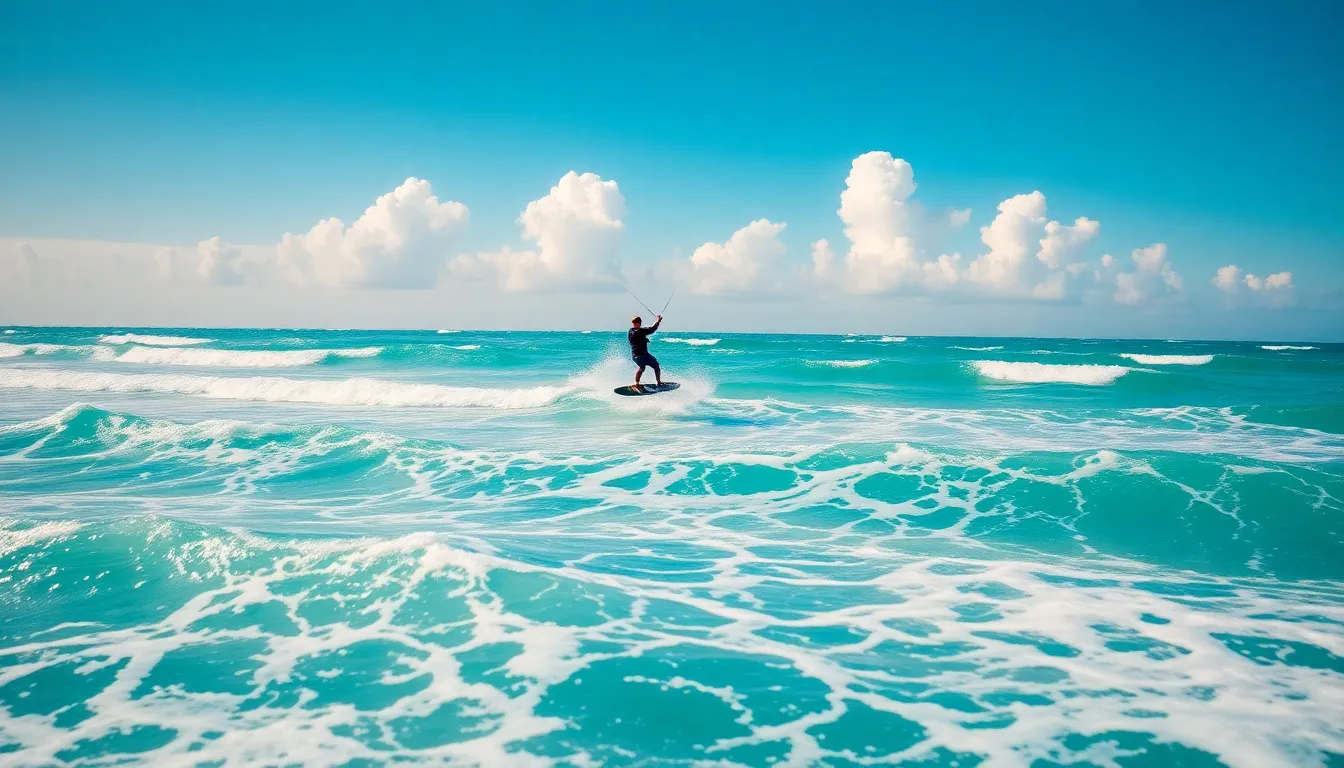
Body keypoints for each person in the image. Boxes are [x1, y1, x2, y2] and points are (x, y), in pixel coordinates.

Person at [628, 314, 663, 387]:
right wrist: (658, 321)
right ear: (639, 323)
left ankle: (637, 384)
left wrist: (644, 339)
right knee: (656, 366)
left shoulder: (631, 331)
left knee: (642, 368)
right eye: (634, 322)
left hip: (635, 357)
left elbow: (636, 339)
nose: (634, 323)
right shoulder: (640, 331)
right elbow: (652, 329)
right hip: (643, 356)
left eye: (634, 322)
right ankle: (659, 383)